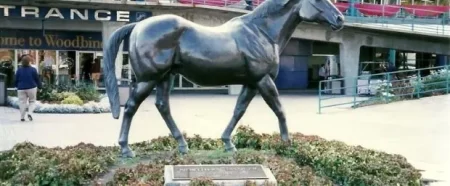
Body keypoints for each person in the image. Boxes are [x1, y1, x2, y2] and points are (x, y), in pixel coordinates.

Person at [14, 54, 42, 122]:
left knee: (22, 102)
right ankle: (29, 113)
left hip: (21, 88)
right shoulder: (33, 69)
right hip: (32, 87)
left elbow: (15, 79)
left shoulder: (19, 70)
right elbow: (37, 79)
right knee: (32, 101)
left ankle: (22, 117)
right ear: (29, 62)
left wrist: (16, 86)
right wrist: (40, 87)